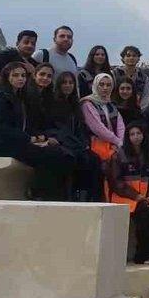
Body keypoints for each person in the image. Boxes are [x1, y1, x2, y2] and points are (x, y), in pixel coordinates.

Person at [0, 62, 75, 201]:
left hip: (16, 141)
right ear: (7, 77)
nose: (20, 79)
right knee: (48, 155)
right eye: (16, 75)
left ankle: (59, 197)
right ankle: (40, 195)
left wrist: (40, 137)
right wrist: (29, 139)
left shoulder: (19, 97)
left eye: (23, 75)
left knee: (60, 153)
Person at [105, 122, 149, 263]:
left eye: (139, 134)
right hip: (124, 197)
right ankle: (141, 255)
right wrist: (136, 196)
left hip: (144, 197)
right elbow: (116, 182)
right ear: (127, 137)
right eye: (132, 134)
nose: (136, 137)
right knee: (145, 215)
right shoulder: (118, 155)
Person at [46, 71, 94, 201]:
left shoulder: (75, 104)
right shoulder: (53, 103)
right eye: (64, 83)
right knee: (70, 159)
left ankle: (84, 196)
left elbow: (81, 127)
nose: (68, 85)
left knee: (92, 159)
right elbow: (53, 126)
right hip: (61, 141)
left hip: (76, 142)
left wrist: (85, 143)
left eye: (71, 83)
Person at [81, 73, 125, 167]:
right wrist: (117, 142)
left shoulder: (110, 104)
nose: (105, 88)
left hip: (113, 144)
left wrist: (120, 143)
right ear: (96, 85)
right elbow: (98, 128)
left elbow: (120, 126)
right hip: (95, 144)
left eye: (108, 85)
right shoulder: (87, 104)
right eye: (101, 84)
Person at [113, 46, 149, 110]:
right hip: (116, 110)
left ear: (138, 59)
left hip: (137, 112)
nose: (131, 58)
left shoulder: (144, 78)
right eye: (128, 56)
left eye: (134, 56)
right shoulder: (114, 74)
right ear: (123, 59)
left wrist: (140, 111)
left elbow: (145, 98)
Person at [25, 63, 55, 141]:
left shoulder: (49, 97)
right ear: (34, 75)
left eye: (49, 76)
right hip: (29, 136)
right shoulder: (26, 94)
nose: (45, 78)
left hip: (43, 135)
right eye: (42, 74)